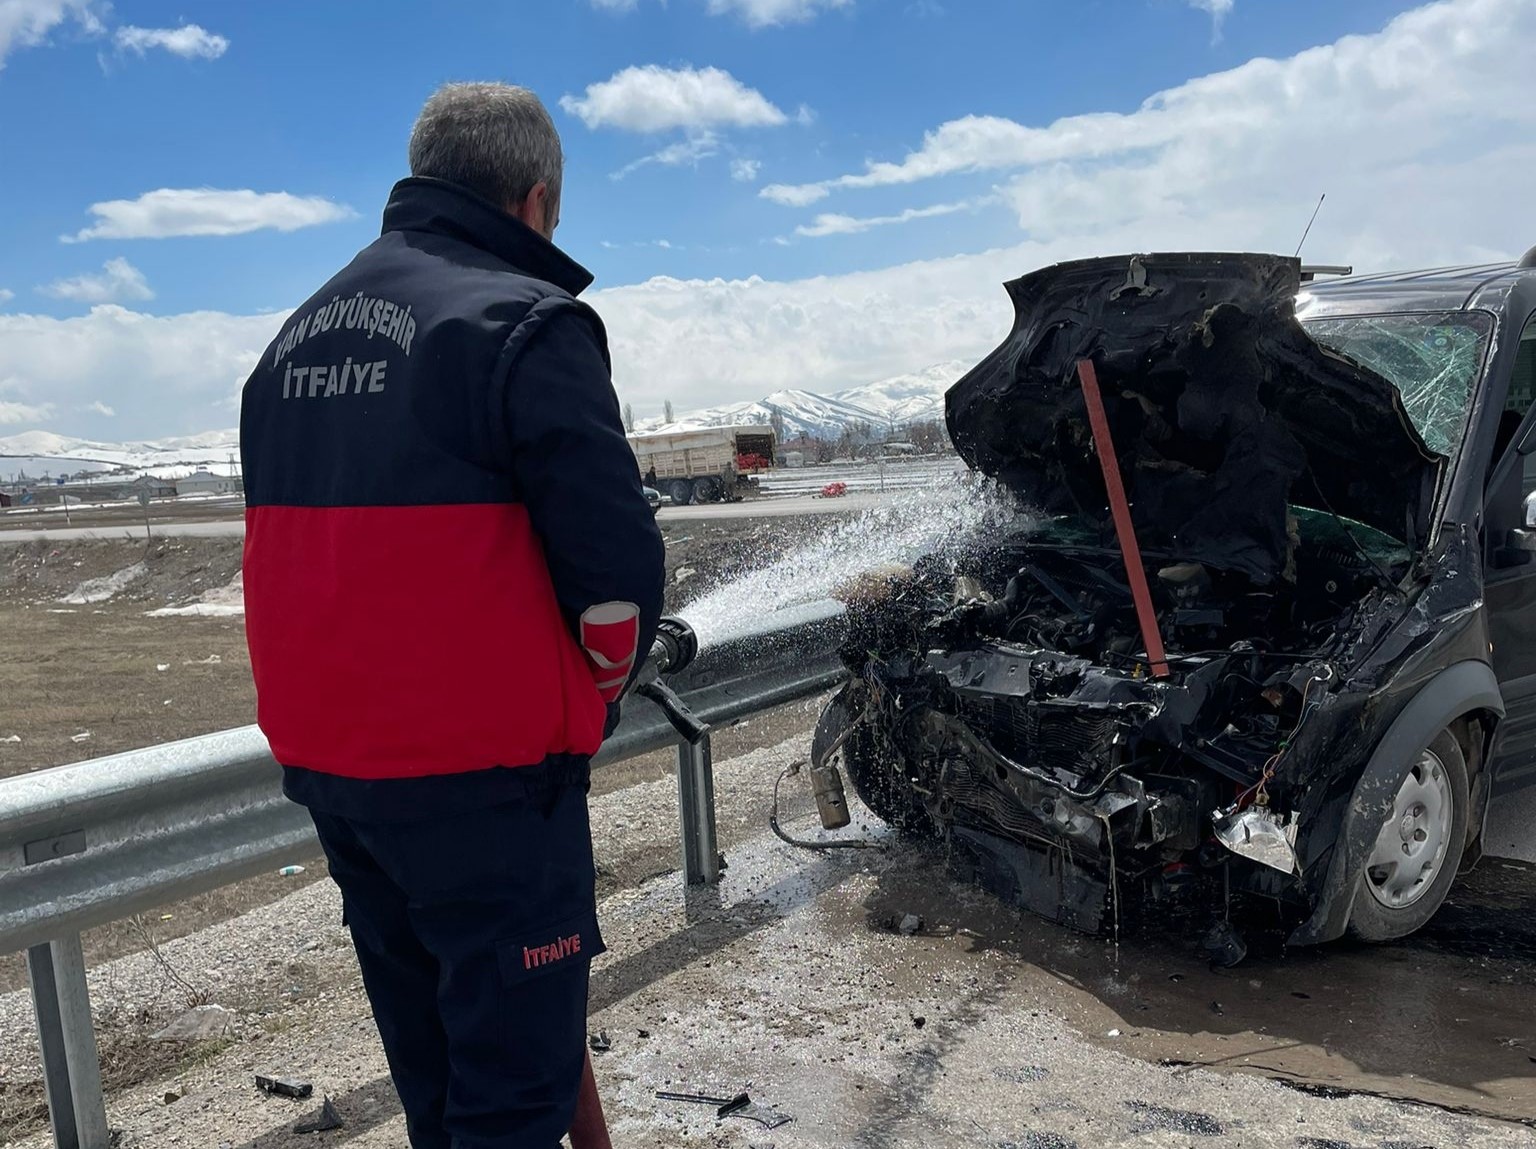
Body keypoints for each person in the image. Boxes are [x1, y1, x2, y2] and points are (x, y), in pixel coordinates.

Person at [239, 82, 665, 1148]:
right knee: (514, 1095)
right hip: (488, 785)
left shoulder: (289, 343)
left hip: (341, 781)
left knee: (435, 1077)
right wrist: (589, 697)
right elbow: (615, 586)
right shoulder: (526, 323)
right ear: (534, 202)